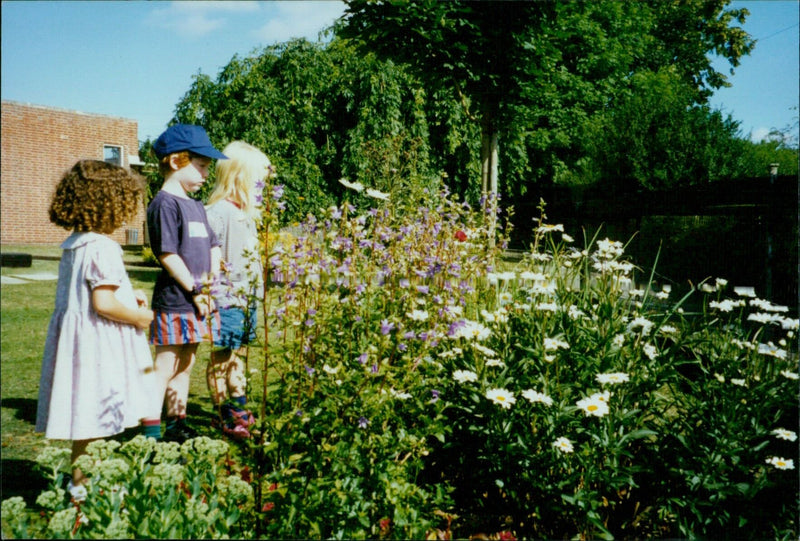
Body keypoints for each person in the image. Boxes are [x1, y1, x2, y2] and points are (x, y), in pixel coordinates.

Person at [35, 160, 157, 498]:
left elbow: (92, 290)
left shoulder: (75, 243)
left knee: (85, 419)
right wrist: (137, 318)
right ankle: (86, 492)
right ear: (109, 203)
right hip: (97, 344)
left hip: (78, 344)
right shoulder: (104, 246)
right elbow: (102, 304)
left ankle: (81, 483)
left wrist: (128, 294)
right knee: (97, 416)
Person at [147, 124, 227, 443]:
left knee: (187, 364)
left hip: (200, 300)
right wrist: (195, 291)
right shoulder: (164, 204)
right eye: (202, 166)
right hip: (175, 301)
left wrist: (211, 284)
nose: (207, 174)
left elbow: (212, 244)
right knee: (166, 365)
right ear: (177, 161)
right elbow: (168, 255)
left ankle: (176, 424)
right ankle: (149, 434)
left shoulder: (195, 205)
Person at [204, 141, 272, 440]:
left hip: (248, 298)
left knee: (239, 355)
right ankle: (223, 414)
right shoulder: (218, 212)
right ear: (240, 176)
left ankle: (238, 406)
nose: (262, 188)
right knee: (222, 356)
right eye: (258, 180)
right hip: (228, 300)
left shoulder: (247, 214)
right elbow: (210, 256)